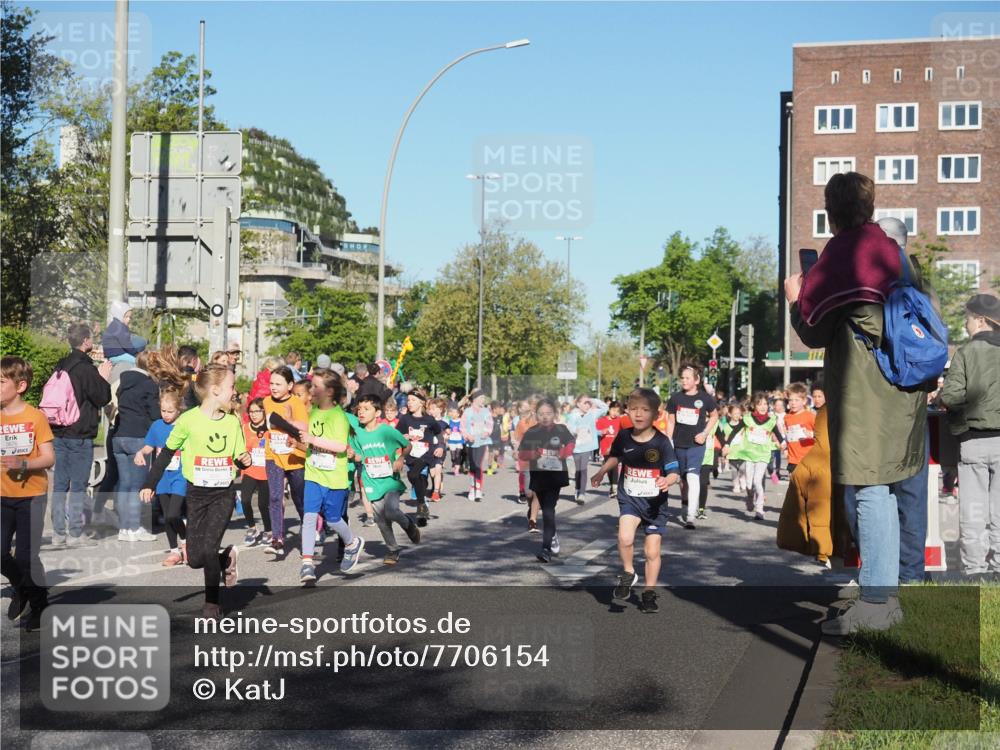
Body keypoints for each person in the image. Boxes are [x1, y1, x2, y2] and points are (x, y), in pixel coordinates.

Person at [788, 171, 929, 634]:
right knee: (883, 490)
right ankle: (881, 588)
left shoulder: (843, 253)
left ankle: (877, 602)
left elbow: (813, 328)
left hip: (866, 389)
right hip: (900, 388)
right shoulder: (891, 252)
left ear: (831, 212)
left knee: (869, 490)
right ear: (870, 206)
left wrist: (795, 298)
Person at [140, 366, 250, 619]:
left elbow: (240, 458)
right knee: (195, 559)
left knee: (208, 549)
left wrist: (243, 460)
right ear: (215, 390)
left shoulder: (233, 423)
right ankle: (226, 559)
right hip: (196, 494)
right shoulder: (188, 420)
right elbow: (166, 453)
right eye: (231, 387)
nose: (235, 391)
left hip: (223, 494)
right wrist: (149, 483)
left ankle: (212, 604)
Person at [592, 388, 679, 614]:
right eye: (633, 409)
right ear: (627, 411)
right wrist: (602, 472)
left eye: (644, 410)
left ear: (656, 414)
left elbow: (674, 472)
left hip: (654, 504)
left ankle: (649, 592)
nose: (638, 414)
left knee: (651, 552)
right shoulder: (623, 436)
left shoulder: (661, 442)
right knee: (624, 536)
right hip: (629, 498)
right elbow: (617, 456)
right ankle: (629, 572)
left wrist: (667, 481)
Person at [939, 294, 1000, 579]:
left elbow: (950, 395)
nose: (964, 324)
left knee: (974, 511)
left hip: (973, 440)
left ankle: (975, 571)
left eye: (966, 318)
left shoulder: (965, 352)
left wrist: (960, 421)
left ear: (979, 319)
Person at [1, 357, 56, 631]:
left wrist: (24, 464)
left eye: (1, 382)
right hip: (2, 496)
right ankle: (21, 586)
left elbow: (49, 458)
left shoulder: (35, 417)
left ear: (20, 385)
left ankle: (39, 603)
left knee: (25, 556)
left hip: (31, 495)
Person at [298, 369, 365, 583]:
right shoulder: (314, 411)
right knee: (309, 517)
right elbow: (310, 434)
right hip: (314, 473)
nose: (312, 390)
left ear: (329, 391)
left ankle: (352, 543)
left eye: (315, 386)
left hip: (335, 478)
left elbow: (338, 445)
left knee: (334, 520)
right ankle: (307, 564)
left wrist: (312, 440)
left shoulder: (339, 417)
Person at [49, 324, 113, 544]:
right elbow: (102, 397)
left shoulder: (61, 365)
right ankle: (75, 532)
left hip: (58, 431)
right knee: (78, 485)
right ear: (86, 341)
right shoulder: (86, 368)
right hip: (80, 433)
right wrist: (103, 377)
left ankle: (58, 533)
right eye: (91, 338)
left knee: (59, 484)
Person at [349, 393, 420, 565]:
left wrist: (401, 458)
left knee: (392, 510)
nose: (361, 412)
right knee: (380, 518)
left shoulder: (386, 430)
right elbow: (360, 456)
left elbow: (407, 445)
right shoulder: (357, 433)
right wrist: (352, 456)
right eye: (359, 409)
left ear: (378, 412)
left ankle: (408, 524)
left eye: (366, 409)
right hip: (371, 480)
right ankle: (393, 549)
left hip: (390, 480)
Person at [518, 398, 575, 563]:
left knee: (549, 510)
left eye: (548, 413)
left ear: (554, 414)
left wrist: (565, 451)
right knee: (546, 510)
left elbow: (571, 442)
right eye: (541, 414)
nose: (545, 417)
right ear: (536, 415)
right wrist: (534, 454)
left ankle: (545, 549)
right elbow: (522, 454)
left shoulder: (561, 429)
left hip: (556, 476)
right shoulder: (532, 432)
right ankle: (553, 535)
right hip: (539, 475)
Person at [112, 351, 161, 542]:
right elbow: (155, 413)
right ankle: (134, 527)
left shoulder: (124, 381)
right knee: (137, 485)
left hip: (119, 436)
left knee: (124, 484)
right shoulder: (149, 384)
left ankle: (124, 528)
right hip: (138, 437)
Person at [135, 388, 187, 564]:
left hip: (180, 475)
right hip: (162, 476)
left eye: (170, 411)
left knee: (174, 514)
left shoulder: (184, 425)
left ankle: (185, 541)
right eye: (163, 411)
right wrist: (140, 453)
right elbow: (149, 446)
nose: (166, 415)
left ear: (179, 408)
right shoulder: (157, 426)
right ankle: (174, 551)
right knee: (167, 515)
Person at [262, 366, 308, 558]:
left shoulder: (297, 403)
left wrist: (287, 421)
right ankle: (278, 538)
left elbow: (303, 430)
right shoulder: (266, 401)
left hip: (294, 456)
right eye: (271, 383)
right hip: (273, 456)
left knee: (299, 499)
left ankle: (309, 530)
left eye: (278, 384)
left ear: (290, 385)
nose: (273, 387)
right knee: (274, 497)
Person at [665, 364, 718, 528]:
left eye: (688, 378)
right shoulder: (675, 398)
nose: (684, 381)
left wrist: (704, 433)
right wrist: (668, 442)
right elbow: (671, 421)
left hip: (697, 444)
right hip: (679, 444)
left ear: (697, 380)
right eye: (682, 378)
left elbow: (715, 416)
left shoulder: (705, 398)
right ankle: (685, 504)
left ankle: (690, 517)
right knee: (682, 481)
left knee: (692, 476)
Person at [723, 392, 784, 520]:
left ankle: (760, 509)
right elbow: (734, 431)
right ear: (754, 406)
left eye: (765, 404)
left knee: (757, 481)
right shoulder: (748, 418)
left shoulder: (771, 420)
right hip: (749, 455)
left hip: (763, 455)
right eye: (759, 404)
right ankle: (750, 497)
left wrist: (783, 443)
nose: (763, 407)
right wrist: (727, 444)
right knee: (749, 484)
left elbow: (778, 434)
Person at [394, 390, 442, 525]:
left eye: (412, 400)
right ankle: (422, 505)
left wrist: (440, 446)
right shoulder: (405, 419)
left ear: (421, 403)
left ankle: (421, 508)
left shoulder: (429, 420)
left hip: (426, 455)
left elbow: (439, 433)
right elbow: (397, 435)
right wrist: (403, 437)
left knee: (419, 476)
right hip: (410, 455)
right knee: (414, 478)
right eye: (408, 400)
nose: (409, 403)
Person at [565, 395, 609, 505]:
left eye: (588, 403)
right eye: (585, 403)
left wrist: (593, 400)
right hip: (575, 446)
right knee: (578, 470)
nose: (587, 405)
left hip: (587, 446)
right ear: (578, 404)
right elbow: (569, 427)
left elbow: (605, 408)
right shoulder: (573, 415)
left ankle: (582, 493)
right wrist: (576, 430)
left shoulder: (593, 413)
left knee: (583, 469)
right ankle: (577, 488)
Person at [240, 398, 272, 548]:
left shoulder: (270, 429)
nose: (253, 414)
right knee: (245, 500)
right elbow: (241, 450)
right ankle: (252, 528)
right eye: (251, 411)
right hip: (250, 470)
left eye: (257, 411)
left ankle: (268, 530)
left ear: (264, 412)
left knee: (263, 504)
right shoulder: (245, 428)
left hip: (266, 472)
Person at [460, 390, 493, 502]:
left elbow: (490, 424)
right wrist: (467, 436)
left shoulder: (486, 411)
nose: (483, 400)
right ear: (475, 399)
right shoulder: (467, 412)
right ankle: (472, 488)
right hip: (471, 442)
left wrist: (487, 432)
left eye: (484, 398)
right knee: (472, 466)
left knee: (478, 465)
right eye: (481, 397)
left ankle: (478, 489)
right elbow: (462, 426)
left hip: (482, 441)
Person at [783, 382, 817, 475]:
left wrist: (811, 434)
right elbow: (788, 435)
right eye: (790, 400)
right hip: (793, 459)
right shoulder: (787, 417)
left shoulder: (810, 416)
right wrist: (786, 448)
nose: (793, 403)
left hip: (807, 459)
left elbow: (821, 434)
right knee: (795, 487)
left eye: (797, 400)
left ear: (804, 401)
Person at [595, 401, 623, 497]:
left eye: (617, 411)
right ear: (609, 409)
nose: (615, 413)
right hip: (605, 448)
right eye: (613, 410)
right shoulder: (602, 420)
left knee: (614, 467)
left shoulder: (620, 420)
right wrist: (601, 431)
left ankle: (615, 487)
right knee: (608, 468)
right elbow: (595, 431)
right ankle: (612, 486)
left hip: (616, 448)